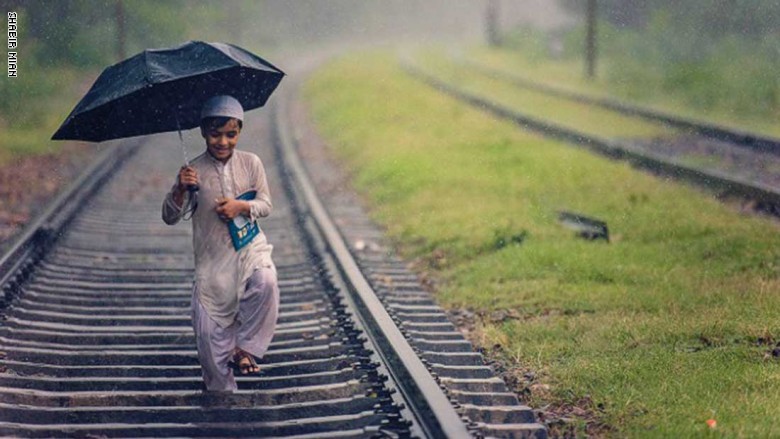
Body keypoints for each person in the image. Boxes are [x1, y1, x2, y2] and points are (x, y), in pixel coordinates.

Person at [162, 95, 279, 392]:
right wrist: (179, 189)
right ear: (203, 132)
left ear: (239, 131)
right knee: (208, 340)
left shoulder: (251, 163)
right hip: (212, 260)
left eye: (231, 134)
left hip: (249, 250)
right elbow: (169, 217)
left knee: (265, 280)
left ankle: (245, 348)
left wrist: (241, 207)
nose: (223, 142)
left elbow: (265, 205)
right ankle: (222, 398)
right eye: (215, 134)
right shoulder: (193, 172)